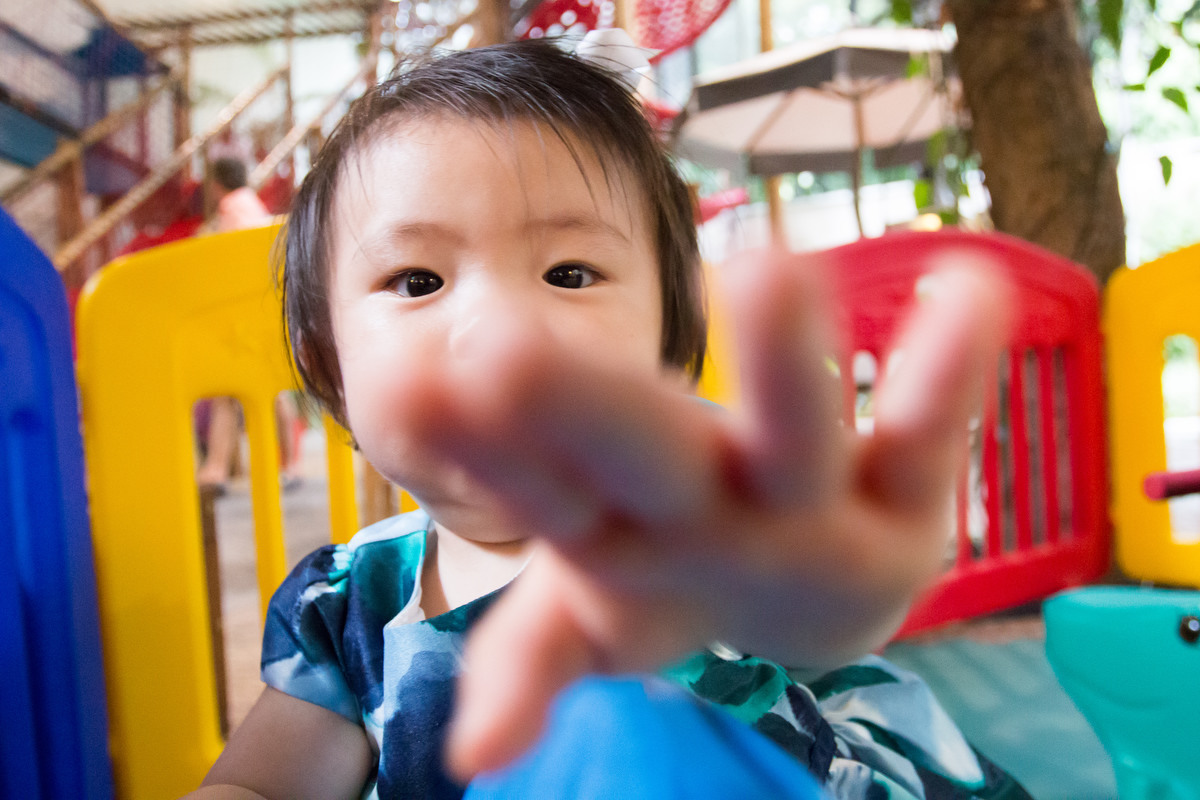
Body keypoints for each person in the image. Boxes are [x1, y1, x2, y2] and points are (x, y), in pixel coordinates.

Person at [185, 37, 1028, 800]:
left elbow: (791, 594)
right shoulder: (346, 607)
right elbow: (259, 788)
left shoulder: (701, 523)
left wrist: (819, 601)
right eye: (416, 281)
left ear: (669, 349)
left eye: (569, 273)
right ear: (331, 365)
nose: (499, 328)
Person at [196, 157, 303, 490]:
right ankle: (289, 466)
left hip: (243, 313)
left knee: (230, 392)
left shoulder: (231, 208)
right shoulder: (253, 205)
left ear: (216, 185)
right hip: (264, 307)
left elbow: (228, 257)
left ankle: (216, 469)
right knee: (269, 392)